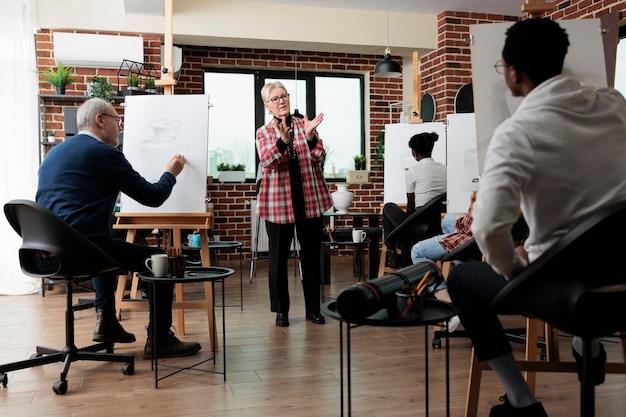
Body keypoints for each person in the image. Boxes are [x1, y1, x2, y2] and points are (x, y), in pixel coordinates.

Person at [446, 18, 626, 417]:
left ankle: (522, 402)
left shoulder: (517, 133)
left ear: (514, 73)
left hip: (563, 287)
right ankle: (587, 344)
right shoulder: (616, 105)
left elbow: (489, 228)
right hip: (620, 282)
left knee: (460, 278)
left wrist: (516, 272)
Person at [36, 98, 201, 359]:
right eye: (117, 120)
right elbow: (153, 196)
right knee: (160, 261)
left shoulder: (53, 153)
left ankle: (106, 321)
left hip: (45, 255)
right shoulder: (104, 153)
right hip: (82, 253)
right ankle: (160, 339)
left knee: (109, 238)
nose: (120, 127)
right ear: (100, 120)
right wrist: (171, 172)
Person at [256, 81, 333, 327]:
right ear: (267, 105)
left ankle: (313, 309)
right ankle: (282, 311)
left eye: (284, 96)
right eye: (275, 98)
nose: (281, 101)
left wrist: (310, 137)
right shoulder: (264, 132)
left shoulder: (304, 124)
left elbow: (319, 156)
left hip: (309, 200)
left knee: (311, 257)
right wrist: (282, 141)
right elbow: (267, 161)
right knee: (278, 259)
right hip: (279, 204)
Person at [409, 191, 477, 332]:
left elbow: (470, 227)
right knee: (447, 220)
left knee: (417, 251)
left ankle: (450, 308)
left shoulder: (490, 186)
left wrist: (471, 205)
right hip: (493, 238)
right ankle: (465, 285)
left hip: (475, 239)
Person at [382, 132, 447, 267]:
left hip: (419, 226)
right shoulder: (445, 169)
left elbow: (410, 206)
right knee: (405, 232)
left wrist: (405, 226)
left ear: (414, 151)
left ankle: (391, 249)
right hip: (436, 225)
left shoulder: (413, 171)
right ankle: (395, 248)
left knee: (388, 207)